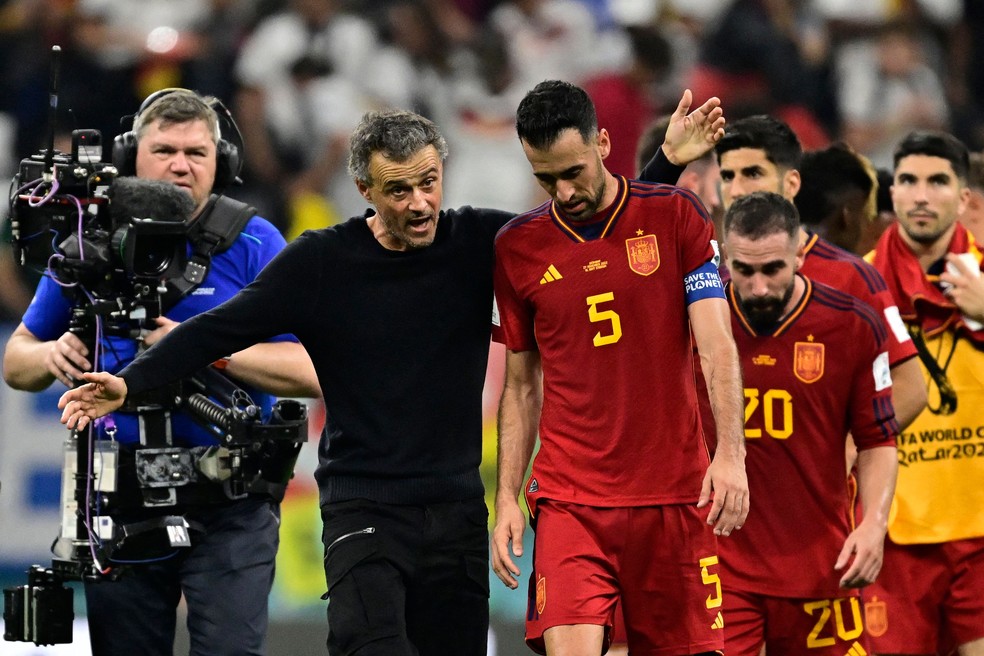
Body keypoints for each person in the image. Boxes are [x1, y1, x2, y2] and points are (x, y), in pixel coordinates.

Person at [56, 92, 731, 655]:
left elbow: (594, 226)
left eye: (429, 182)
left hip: (457, 509)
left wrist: (663, 163)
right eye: (398, 189)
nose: (418, 203)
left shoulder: (484, 243)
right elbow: (220, 328)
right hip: (364, 504)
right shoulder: (322, 263)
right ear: (365, 190)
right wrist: (133, 380)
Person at [2, 89, 319, 655]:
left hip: (232, 500)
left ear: (221, 160)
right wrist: (50, 356)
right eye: (165, 149)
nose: (180, 164)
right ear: (131, 157)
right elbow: (16, 361)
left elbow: (311, 371)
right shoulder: (89, 242)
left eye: (197, 152)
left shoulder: (255, 243)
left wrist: (204, 348)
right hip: (119, 501)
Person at [491, 79, 749, 656]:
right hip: (570, 499)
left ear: (604, 142)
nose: (563, 191)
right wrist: (508, 496)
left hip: (676, 494)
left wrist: (730, 453)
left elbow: (716, 343)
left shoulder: (677, 215)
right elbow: (521, 384)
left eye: (573, 171)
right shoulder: (518, 248)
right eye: (545, 178)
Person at [719, 191, 899, 655]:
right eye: (744, 270)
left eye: (772, 269)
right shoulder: (700, 317)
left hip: (819, 564)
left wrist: (874, 525)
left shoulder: (852, 325)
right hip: (719, 563)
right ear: (725, 258)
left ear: (800, 254)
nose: (758, 287)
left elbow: (879, 439)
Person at [712, 115, 926, 432]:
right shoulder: (708, 278)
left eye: (753, 173)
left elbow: (910, 388)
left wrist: (850, 450)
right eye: (728, 176)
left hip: (819, 481)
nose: (737, 189)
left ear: (792, 183)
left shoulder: (852, 277)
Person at [864, 130, 984, 656]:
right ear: (892, 194)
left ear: (963, 198)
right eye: (908, 180)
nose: (920, 195)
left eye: (938, 182)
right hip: (894, 538)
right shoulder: (857, 283)